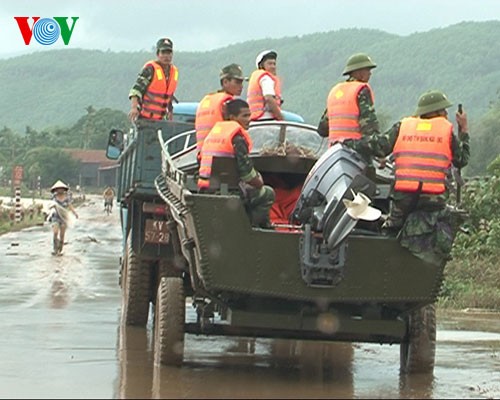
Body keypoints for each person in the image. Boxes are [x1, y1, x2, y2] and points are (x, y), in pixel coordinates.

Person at [374, 90, 470, 263]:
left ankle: (385, 261)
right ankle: (425, 263)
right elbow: (462, 160)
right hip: (433, 200)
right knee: (441, 224)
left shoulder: (402, 126)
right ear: (435, 112)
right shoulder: (446, 132)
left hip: (402, 196)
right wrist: (463, 129)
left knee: (391, 228)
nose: (446, 114)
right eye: (443, 110)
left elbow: (380, 147)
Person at [198, 99, 275, 228]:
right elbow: (247, 175)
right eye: (244, 116)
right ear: (232, 117)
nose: (248, 119)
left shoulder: (214, 134)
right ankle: (251, 227)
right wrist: (259, 182)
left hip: (205, 189)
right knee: (268, 193)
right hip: (228, 192)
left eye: (249, 115)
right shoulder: (237, 139)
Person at [317, 52, 381, 165]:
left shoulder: (336, 91)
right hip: (356, 154)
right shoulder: (361, 90)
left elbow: (322, 129)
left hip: (334, 155)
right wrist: (380, 153)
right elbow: (370, 128)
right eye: (368, 70)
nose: (370, 73)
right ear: (359, 72)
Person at [195, 63, 246, 161]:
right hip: (221, 155)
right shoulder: (227, 103)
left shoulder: (206, 100)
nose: (241, 86)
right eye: (237, 82)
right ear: (225, 82)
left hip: (203, 155)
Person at [128, 38, 179, 123]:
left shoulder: (174, 72)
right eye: (163, 52)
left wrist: (170, 113)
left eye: (169, 53)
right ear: (158, 54)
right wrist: (134, 108)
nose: (166, 56)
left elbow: (169, 97)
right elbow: (136, 90)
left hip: (161, 120)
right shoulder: (150, 69)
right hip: (145, 118)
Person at [247, 50, 283, 121]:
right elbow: (269, 98)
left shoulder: (256, 77)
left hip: (254, 116)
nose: (273, 66)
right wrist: (281, 119)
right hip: (266, 116)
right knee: (298, 120)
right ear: (261, 66)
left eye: (274, 64)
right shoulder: (266, 78)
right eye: (270, 64)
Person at [48, 180, 79, 255]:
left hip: (64, 218)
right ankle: (55, 248)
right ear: (56, 189)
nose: (60, 190)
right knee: (55, 232)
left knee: (62, 235)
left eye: (61, 188)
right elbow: (50, 205)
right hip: (55, 216)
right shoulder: (54, 197)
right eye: (58, 188)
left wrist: (74, 213)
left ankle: (60, 249)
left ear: (64, 189)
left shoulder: (67, 198)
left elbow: (70, 206)